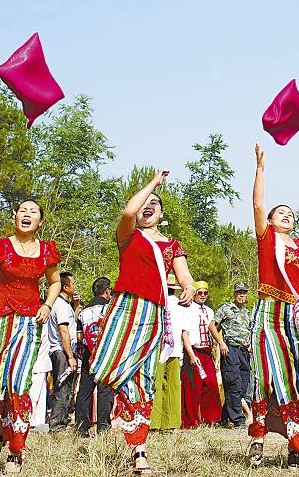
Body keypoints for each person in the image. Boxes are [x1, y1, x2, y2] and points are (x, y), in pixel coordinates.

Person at [89, 170, 195, 475]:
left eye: (155, 204)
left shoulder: (172, 245)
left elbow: (184, 275)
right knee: (102, 369)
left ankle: (139, 450)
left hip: (154, 315)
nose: (147, 207)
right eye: (144, 203)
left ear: (161, 214)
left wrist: (187, 287)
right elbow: (127, 211)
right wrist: (153, 184)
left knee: (144, 381)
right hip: (125, 309)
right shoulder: (129, 235)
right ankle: (125, 402)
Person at [0, 199, 62, 474]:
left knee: (18, 385)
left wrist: (47, 304)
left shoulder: (46, 251)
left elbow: (55, 282)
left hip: (29, 322)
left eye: (33, 212)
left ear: (40, 221)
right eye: (23, 210)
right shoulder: (0, 245)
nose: (27, 214)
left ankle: (16, 450)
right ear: (14, 216)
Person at [248, 144, 299, 468]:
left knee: (294, 378)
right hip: (266, 314)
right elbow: (258, 202)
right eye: (280, 213)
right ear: (271, 221)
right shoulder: (266, 239)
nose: (286, 215)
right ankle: (258, 438)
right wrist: (260, 168)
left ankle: (295, 445)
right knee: (263, 376)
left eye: (290, 213)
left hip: (292, 318)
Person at [180, 280, 227, 429]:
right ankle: (191, 421)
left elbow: (211, 327)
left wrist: (220, 342)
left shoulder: (209, 310)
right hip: (194, 350)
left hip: (207, 350)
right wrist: (191, 355)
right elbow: (185, 334)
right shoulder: (188, 309)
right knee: (193, 387)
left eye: (205, 292)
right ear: (194, 293)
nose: (202, 295)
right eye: (199, 292)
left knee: (211, 384)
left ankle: (211, 418)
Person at [76, 276, 115, 437]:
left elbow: (79, 337)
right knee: (104, 391)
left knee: (84, 391)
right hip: (105, 354)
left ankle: (82, 427)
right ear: (107, 291)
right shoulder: (110, 309)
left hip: (88, 353)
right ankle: (103, 426)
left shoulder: (83, 311)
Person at [150, 273, 185, 431]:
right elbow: (185, 331)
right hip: (176, 349)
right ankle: (172, 422)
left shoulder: (157, 303)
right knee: (173, 387)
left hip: (159, 350)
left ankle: (155, 422)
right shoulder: (181, 305)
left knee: (156, 385)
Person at [215, 282, 253, 428]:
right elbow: (213, 326)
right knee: (233, 383)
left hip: (244, 351)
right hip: (231, 349)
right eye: (239, 292)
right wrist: (220, 342)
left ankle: (225, 416)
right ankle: (238, 420)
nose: (241, 295)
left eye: (244, 292)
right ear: (234, 293)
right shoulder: (226, 309)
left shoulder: (246, 312)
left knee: (243, 385)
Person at [46, 272, 79, 431]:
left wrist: (76, 307)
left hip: (62, 351)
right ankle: (57, 425)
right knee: (63, 387)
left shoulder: (65, 305)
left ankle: (61, 420)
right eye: (73, 284)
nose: (75, 286)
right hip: (62, 351)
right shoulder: (59, 305)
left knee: (66, 387)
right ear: (65, 287)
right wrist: (70, 356)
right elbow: (64, 331)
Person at [28, 322, 52, 433]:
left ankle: (37, 422)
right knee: (34, 395)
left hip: (40, 363)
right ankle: (30, 420)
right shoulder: (35, 322)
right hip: (36, 364)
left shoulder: (43, 322)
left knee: (39, 395)